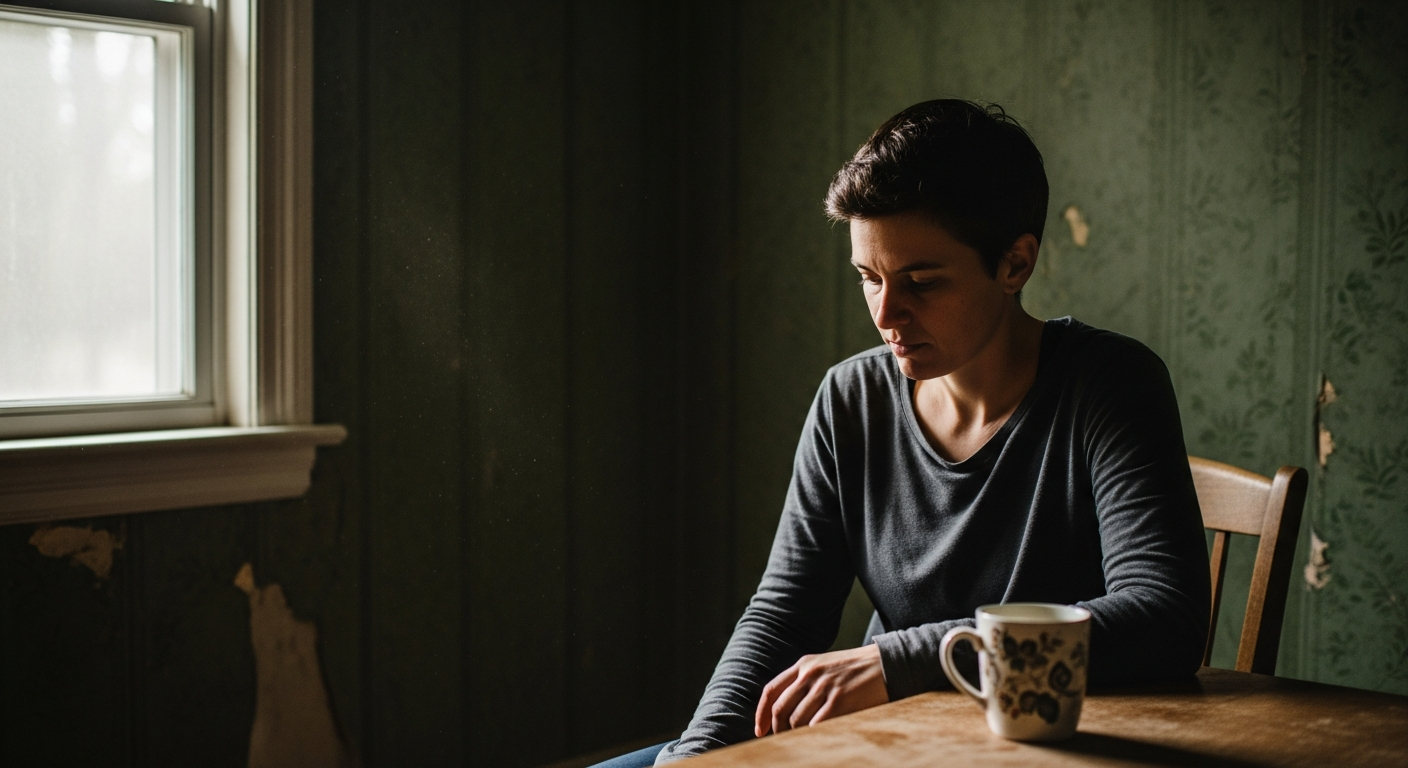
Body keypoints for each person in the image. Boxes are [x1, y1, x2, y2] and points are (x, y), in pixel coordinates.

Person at [593, 99, 1210, 768]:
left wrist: (899, 660)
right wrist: (699, 753)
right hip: (883, 747)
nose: (887, 314)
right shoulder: (850, 399)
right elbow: (784, 613)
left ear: (1015, 264)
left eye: (921, 282)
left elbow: (1162, 617)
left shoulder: (1110, 384)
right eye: (869, 278)